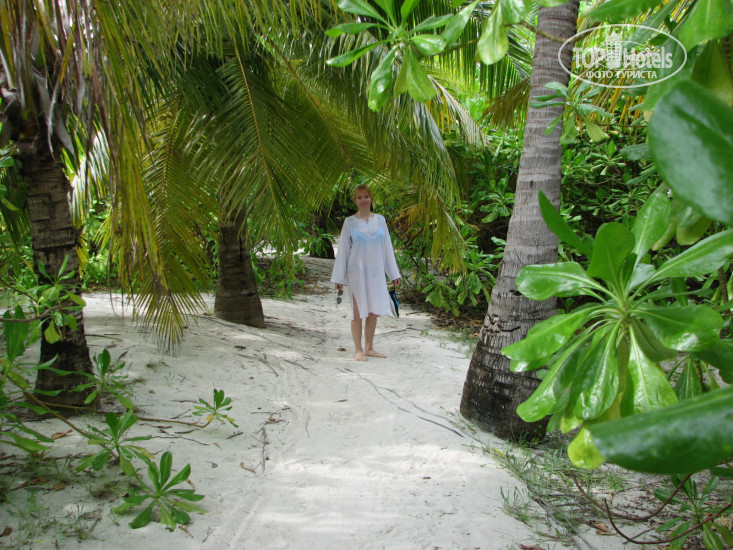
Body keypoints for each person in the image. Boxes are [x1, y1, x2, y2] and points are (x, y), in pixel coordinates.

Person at [331, 184, 401, 362]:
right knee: (357, 312)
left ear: (371, 199)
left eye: (366, 196)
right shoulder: (349, 222)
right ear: (355, 201)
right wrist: (339, 278)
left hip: (376, 273)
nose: (363, 200)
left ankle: (369, 347)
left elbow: (387, 247)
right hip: (357, 273)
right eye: (359, 197)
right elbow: (343, 251)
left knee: (373, 312)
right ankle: (358, 350)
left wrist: (393, 273)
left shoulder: (380, 220)